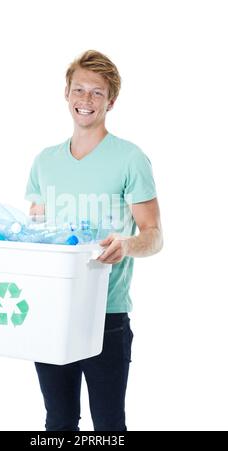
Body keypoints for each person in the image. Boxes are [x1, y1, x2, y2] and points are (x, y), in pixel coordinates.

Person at [25, 50, 163, 431]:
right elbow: (34, 233)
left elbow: (154, 235)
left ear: (111, 101)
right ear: (66, 94)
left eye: (96, 93)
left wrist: (128, 244)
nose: (85, 101)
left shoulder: (130, 159)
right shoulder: (44, 162)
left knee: (108, 425)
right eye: (79, 90)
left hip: (107, 314)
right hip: (50, 311)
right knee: (59, 422)